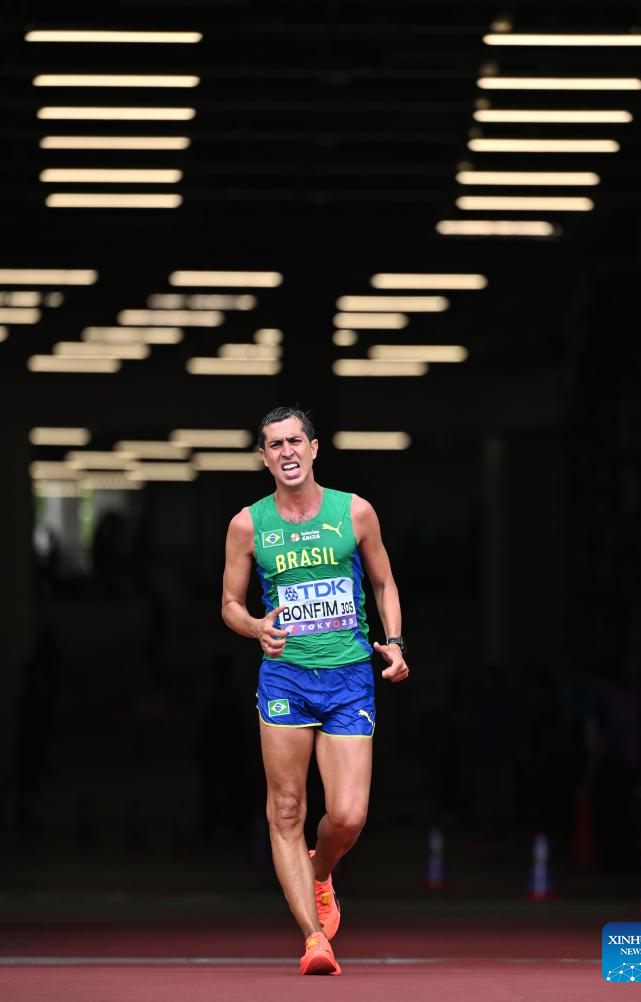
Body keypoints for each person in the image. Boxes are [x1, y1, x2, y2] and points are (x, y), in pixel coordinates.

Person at [221, 405, 409, 976]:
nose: (287, 452)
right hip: (286, 677)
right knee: (286, 808)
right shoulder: (247, 524)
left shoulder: (354, 512)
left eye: (294, 441)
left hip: (349, 675)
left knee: (348, 815)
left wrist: (395, 643)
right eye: (275, 444)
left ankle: (320, 870)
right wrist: (256, 627)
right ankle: (313, 939)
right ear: (263, 457)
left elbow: (384, 583)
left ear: (314, 447)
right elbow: (229, 604)